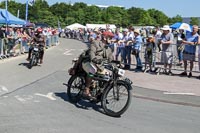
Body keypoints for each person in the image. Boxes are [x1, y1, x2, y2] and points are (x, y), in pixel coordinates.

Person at [82, 31, 114, 98]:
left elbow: (111, 59)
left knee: (109, 76)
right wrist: (94, 59)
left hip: (99, 66)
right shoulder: (95, 42)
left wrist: (117, 63)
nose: (112, 40)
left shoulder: (108, 48)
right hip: (88, 62)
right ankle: (86, 88)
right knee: (92, 70)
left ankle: (102, 93)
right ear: (105, 38)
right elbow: (92, 52)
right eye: (110, 38)